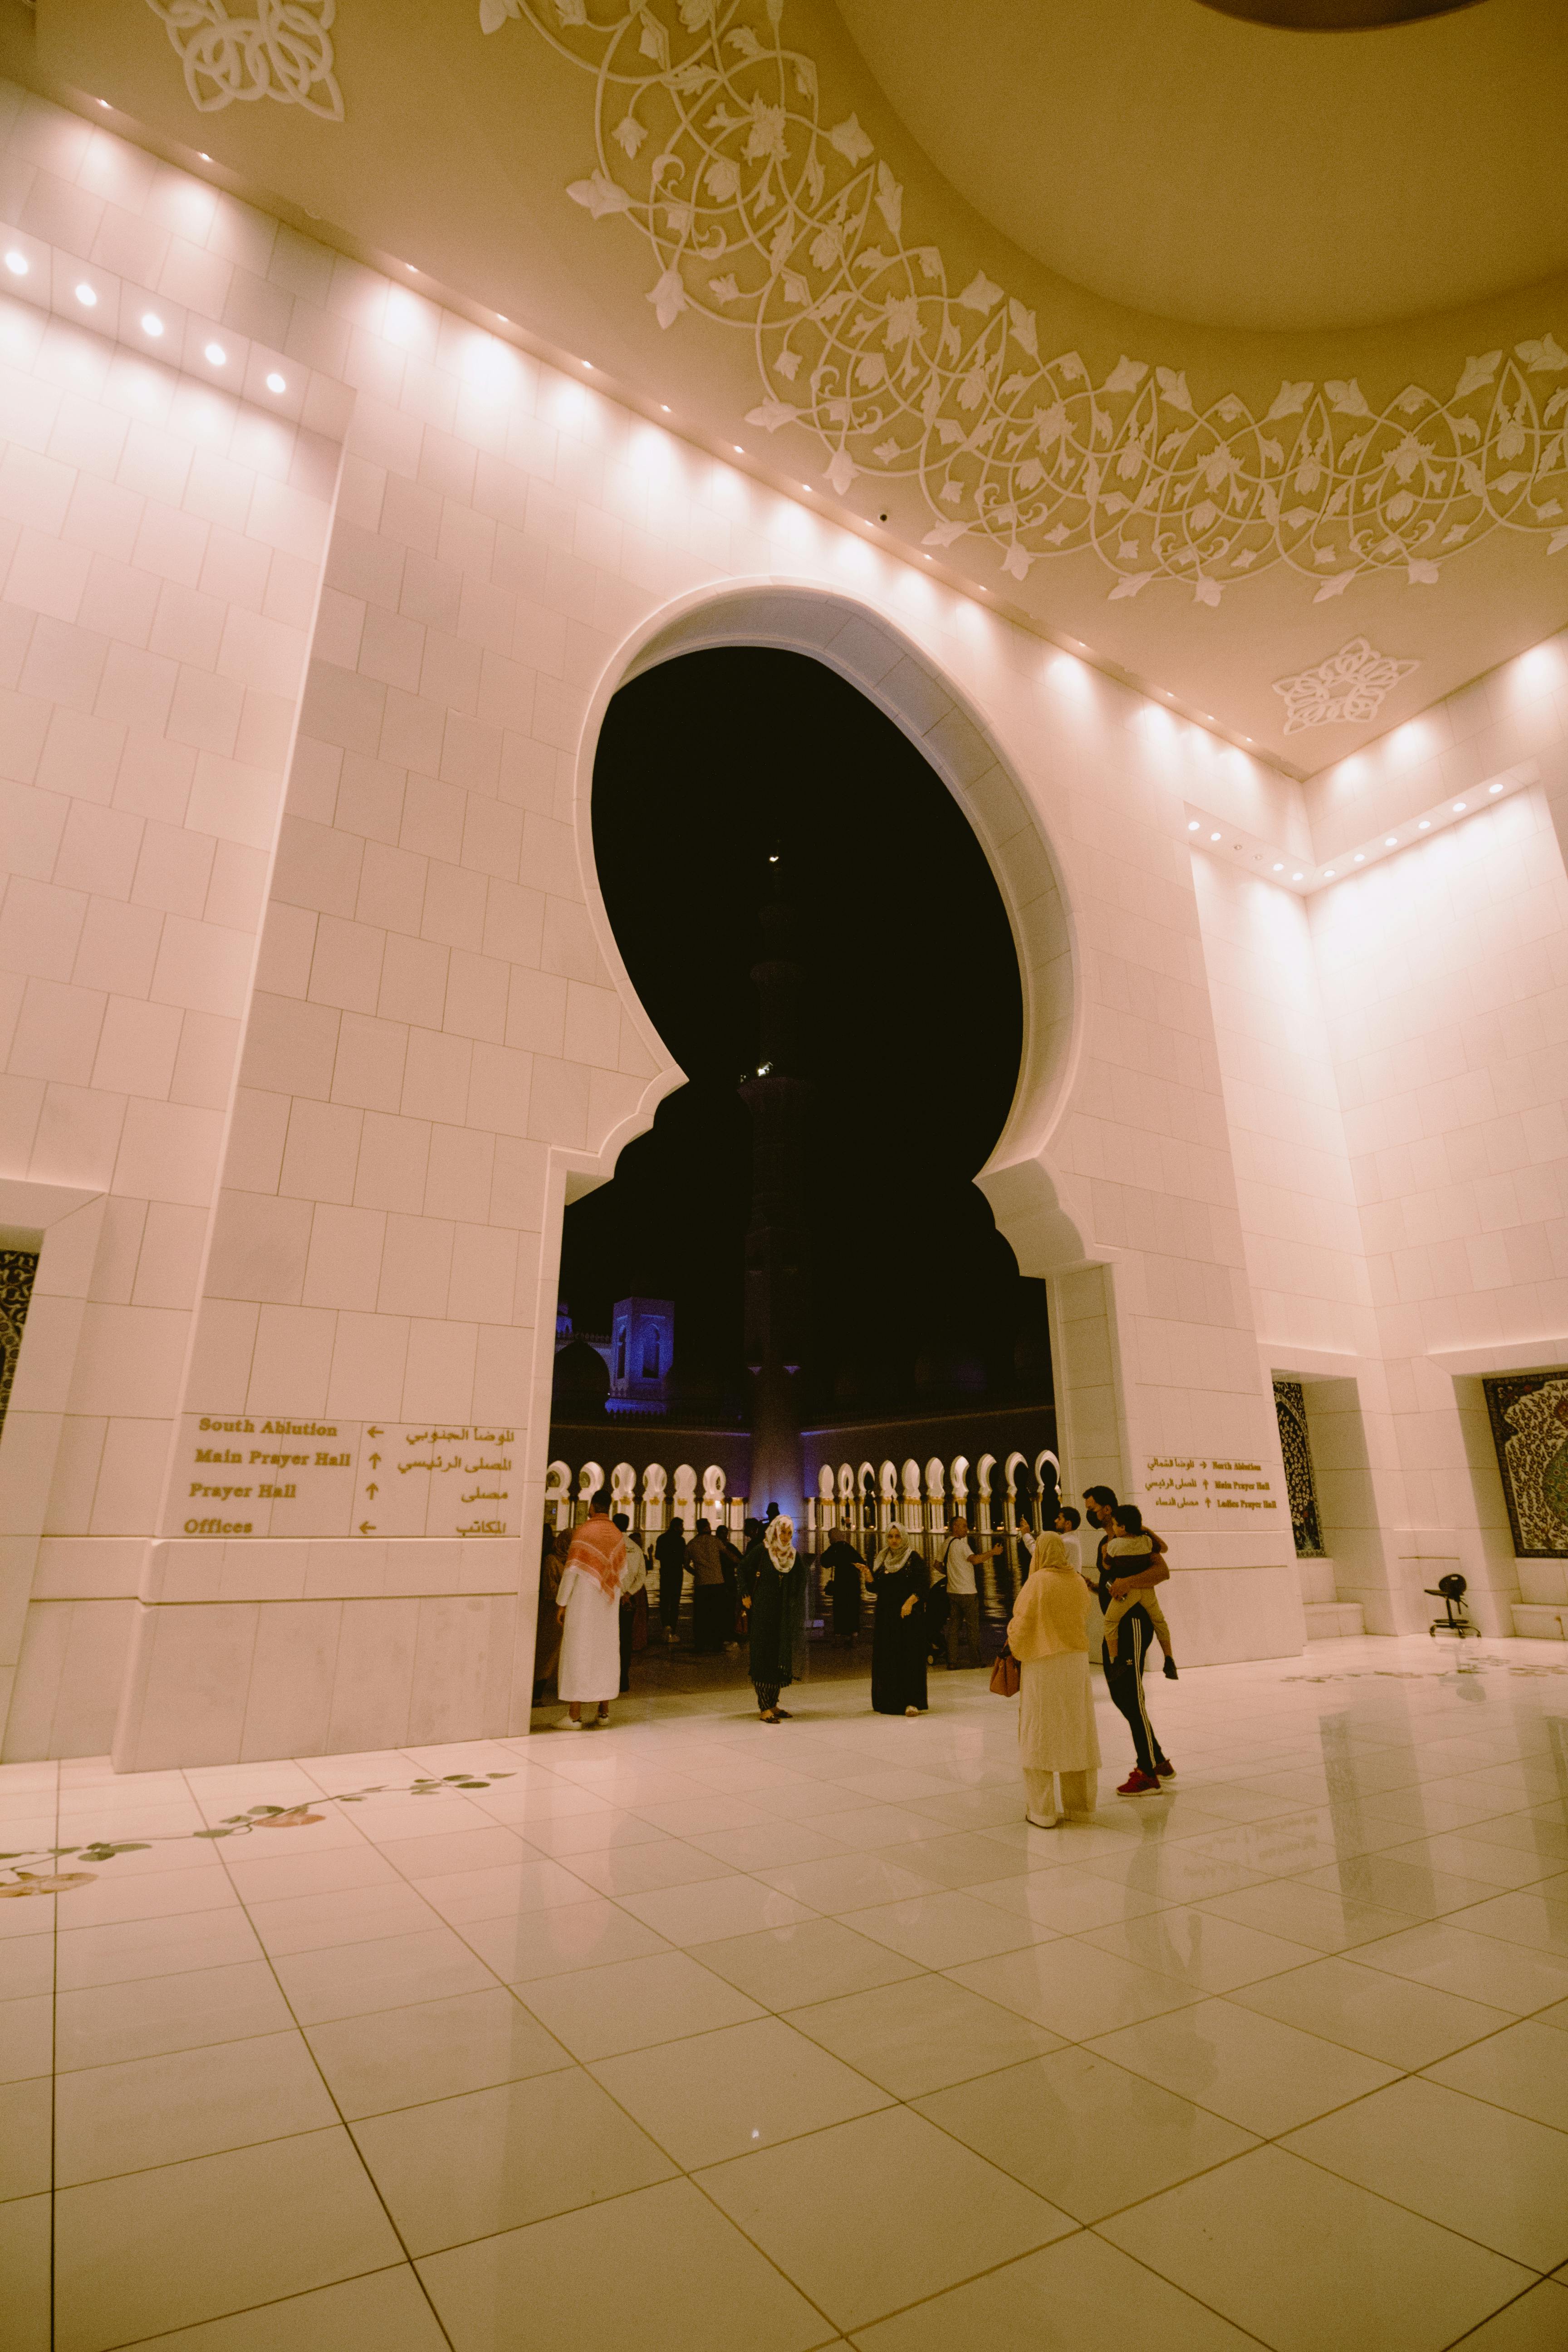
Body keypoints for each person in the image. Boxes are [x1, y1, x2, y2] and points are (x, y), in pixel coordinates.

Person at [1082, 1485, 1173, 1793]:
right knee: (1122, 1693)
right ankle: (1157, 1757)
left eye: (1093, 1508)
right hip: (1117, 1624)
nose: (1090, 1513)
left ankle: (1148, 1771)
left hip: (1134, 1623)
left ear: (1108, 1509)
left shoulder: (1136, 1534)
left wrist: (1127, 1583)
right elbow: (1112, 1578)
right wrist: (1099, 1588)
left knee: (1130, 1694)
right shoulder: (1107, 1542)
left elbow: (1162, 1571)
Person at [1008, 1532, 1101, 1828]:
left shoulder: (1038, 1582)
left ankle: (1043, 1812)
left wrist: (1013, 1641)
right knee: (1076, 1731)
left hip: (1043, 1663)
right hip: (1075, 1664)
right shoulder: (1076, 1580)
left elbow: (1021, 1625)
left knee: (1041, 1734)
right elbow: (1083, 1613)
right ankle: (1080, 1808)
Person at [556, 1488, 627, 1727]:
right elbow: (622, 1573)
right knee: (605, 1653)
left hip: (583, 1605)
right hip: (607, 1605)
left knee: (579, 1652)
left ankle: (574, 1715)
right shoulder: (617, 1535)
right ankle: (604, 1713)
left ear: (593, 1507)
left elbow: (572, 1570)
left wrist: (562, 1602)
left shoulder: (584, 1531)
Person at [739, 1513, 808, 1722]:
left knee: (779, 1656)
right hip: (762, 1612)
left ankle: (774, 1704)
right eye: (783, 1532)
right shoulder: (763, 1551)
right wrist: (745, 1594)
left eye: (789, 1533)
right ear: (775, 1531)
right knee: (763, 1656)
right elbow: (742, 1569)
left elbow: (802, 1580)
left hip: (782, 1615)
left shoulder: (794, 1556)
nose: (786, 1537)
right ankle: (764, 1707)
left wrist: (794, 1601)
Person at [1102, 1504, 1178, 1680]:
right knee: (1159, 1621)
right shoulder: (1146, 1542)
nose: (1113, 1527)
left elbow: (1107, 1564)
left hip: (1127, 1592)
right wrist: (1145, 1530)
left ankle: (1115, 1661)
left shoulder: (1114, 1545)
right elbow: (1163, 1548)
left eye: (1115, 1524)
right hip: (1147, 1591)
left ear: (1122, 1527)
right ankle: (1169, 1658)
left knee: (1110, 1622)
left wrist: (1106, 1551)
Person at [870, 1523, 930, 1715]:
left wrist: (910, 1602)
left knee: (908, 1657)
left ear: (904, 1538)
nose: (894, 1541)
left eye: (898, 1537)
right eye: (890, 1537)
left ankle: (912, 1702)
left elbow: (924, 1585)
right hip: (887, 1618)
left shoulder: (914, 1558)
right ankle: (889, 1702)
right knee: (888, 1657)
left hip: (907, 1619)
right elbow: (876, 1587)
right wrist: (867, 1577)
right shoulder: (883, 1558)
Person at [941, 1515, 996, 1670]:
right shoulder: (962, 1545)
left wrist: (952, 1574)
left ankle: (952, 1661)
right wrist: (993, 1552)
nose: (967, 1529)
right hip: (968, 1592)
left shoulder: (945, 1544)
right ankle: (976, 1661)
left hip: (952, 1592)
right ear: (955, 1528)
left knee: (953, 1628)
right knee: (973, 1628)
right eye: (964, 1526)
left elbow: (937, 1565)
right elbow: (976, 1560)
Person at [614, 1511, 647, 1694]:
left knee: (610, 1639)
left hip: (611, 1600)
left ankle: (609, 1678)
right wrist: (628, 1594)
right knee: (625, 1639)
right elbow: (642, 1576)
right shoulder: (635, 1547)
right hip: (628, 1601)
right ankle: (623, 1679)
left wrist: (619, 1593)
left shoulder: (609, 1545)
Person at [532, 1519, 565, 1703]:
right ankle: (537, 1693)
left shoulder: (567, 1560)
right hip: (550, 1612)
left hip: (559, 1612)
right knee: (547, 1652)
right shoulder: (551, 1560)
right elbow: (550, 1589)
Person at [819, 1526, 867, 1645]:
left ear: (833, 1538)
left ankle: (838, 1638)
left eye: (830, 1538)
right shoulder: (849, 1548)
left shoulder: (834, 1548)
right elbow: (862, 1563)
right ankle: (854, 1637)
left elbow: (824, 1562)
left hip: (841, 1583)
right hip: (853, 1584)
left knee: (839, 1609)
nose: (830, 1540)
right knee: (853, 1610)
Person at [689, 1517, 727, 1654]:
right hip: (718, 1582)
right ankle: (717, 1644)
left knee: (701, 1615)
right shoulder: (715, 1541)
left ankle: (700, 1644)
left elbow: (685, 1564)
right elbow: (727, 1554)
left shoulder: (692, 1544)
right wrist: (742, 1563)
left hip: (702, 1584)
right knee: (717, 1614)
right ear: (706, 1528)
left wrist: (697, 1572)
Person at [655, 1515, 687, 1645]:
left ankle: (665, 1627)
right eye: (682, 1527)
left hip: (665, 1573)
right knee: (675, 1603)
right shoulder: (681, 1540)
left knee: (664, 1601)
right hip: (677, 1574)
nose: (683, 1529)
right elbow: (683, 1558)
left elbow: (657, 1556)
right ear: (676, 1527)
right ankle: (672, 1631)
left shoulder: (661, 1538)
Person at [1054, 1503, 1084, 1575]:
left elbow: (1042, 1556)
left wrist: (1026, 1535)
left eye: (1059, 1519)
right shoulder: (1071, 1539)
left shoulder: (1066, 1542)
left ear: (1068, 1524)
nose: (1056, 1521)